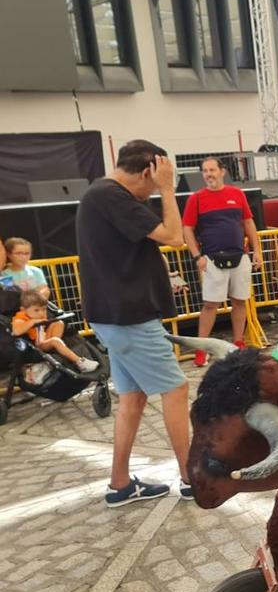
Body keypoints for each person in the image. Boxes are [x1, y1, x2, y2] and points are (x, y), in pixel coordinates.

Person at [76, 139, 192, 507]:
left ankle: (120, 483)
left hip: (116, 315)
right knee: (175, 389)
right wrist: (169, 190)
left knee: (133, 397)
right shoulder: (111, 196)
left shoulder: (103, 195)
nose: (154, 190)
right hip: (127, 316)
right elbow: (174, 237)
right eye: (155, 180)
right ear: (147, 172)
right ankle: (192, 479)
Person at [182, 158, 263, 367]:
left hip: (240, 257)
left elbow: (248, 222)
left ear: (222, 172)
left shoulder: (237, 194)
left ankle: (238, 343)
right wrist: (197, 256)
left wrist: (257, 251)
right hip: (211, 259)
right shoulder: (196, 199)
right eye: (205, 171)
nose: (208, 174)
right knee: (210, 305)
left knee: (239, 301)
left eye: (212, 170)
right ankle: (202, 349)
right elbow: (187, 228)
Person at [12, 289, 98, 373]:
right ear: (23, 309)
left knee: (59, 323)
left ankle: (58, 348)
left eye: (44, 309)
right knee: (55, 341)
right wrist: (32, 322)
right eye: (36, 310)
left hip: (44, 338)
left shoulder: (37, 315)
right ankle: (80, 362)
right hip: (36, 346)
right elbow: (16, 331)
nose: (41, 313)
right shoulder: (20, 317)